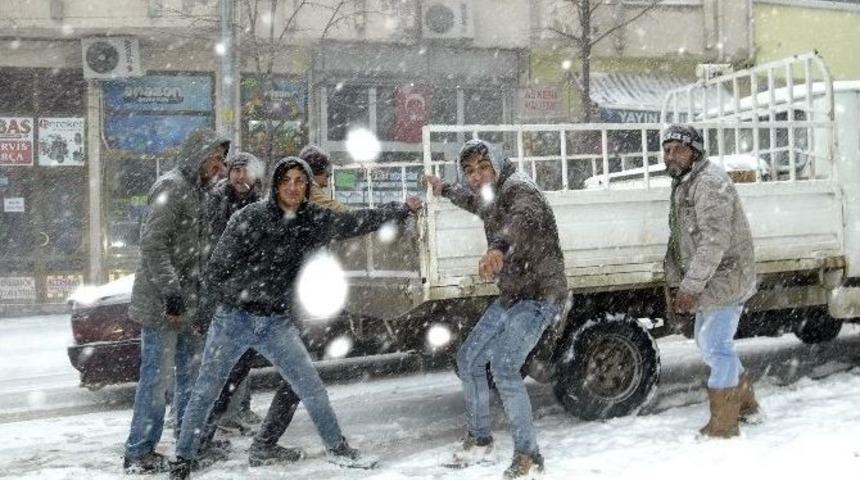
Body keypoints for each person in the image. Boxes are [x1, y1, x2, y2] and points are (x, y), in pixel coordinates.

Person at [169, 157, 422, 479]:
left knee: (311, 388)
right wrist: (207, 315)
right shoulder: (249, 218)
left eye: (300, 181)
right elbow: (217, 268)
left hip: (276, 323)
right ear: (275, 185)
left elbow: (355, 222)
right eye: (286, 180)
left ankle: (339, 448)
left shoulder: (312, 219)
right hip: (234, 319)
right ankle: (183, 459)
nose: (292, 187)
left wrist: (400, 209)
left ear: (307, 187)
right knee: (206, 389)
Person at [425, 139, 567, 479]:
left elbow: (521, 220)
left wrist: (499, 248)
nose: (477, 177)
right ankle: (480, 439)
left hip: (539, 295)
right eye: (470, 171)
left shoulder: (521, 191)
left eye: (483, 168)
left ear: (499, 165)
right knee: (469, 359)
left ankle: (529, 455)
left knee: (504, 368)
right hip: (513, 295)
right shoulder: (493, 193)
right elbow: (476, 203)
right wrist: (444, 188)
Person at [122, 128, 229, 474]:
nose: (221, 166)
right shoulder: (172, 187)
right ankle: (139, 452)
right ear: (199, 155)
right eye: (216, 158)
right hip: (162, 306)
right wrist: (172, 294)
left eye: (222, 159)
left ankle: (188, 444)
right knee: (157, 380)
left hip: (188, 304)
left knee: (191, 378)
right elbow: (153, 246)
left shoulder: (197, 191)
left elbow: (194, 252)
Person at [245, 144, 348, 467]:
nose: (323, 182)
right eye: (323, 176)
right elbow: (341, 214)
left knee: (295, 378)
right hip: (298, 300)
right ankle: (264, 443)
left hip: (294, 298)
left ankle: (262, 441)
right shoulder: (308, 199)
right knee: (298, 379)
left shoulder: (292, 202)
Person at [662, 124, 761, 439]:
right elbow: (682, 240)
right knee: (709, 344)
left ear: (695, 151)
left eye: (678, 148)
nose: (670, 155)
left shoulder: (709, 183)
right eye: (666, 149)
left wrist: (689, 287)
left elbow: (713, 242)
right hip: (710, 278)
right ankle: (745, 404)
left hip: (725, 277)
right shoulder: (686, 181)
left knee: (716, 346)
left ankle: (724, 424)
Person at [299, 144, 348, 212]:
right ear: (313, 172)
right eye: (326, 176)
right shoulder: (309, 191)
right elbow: (340, 211)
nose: (326, 184)